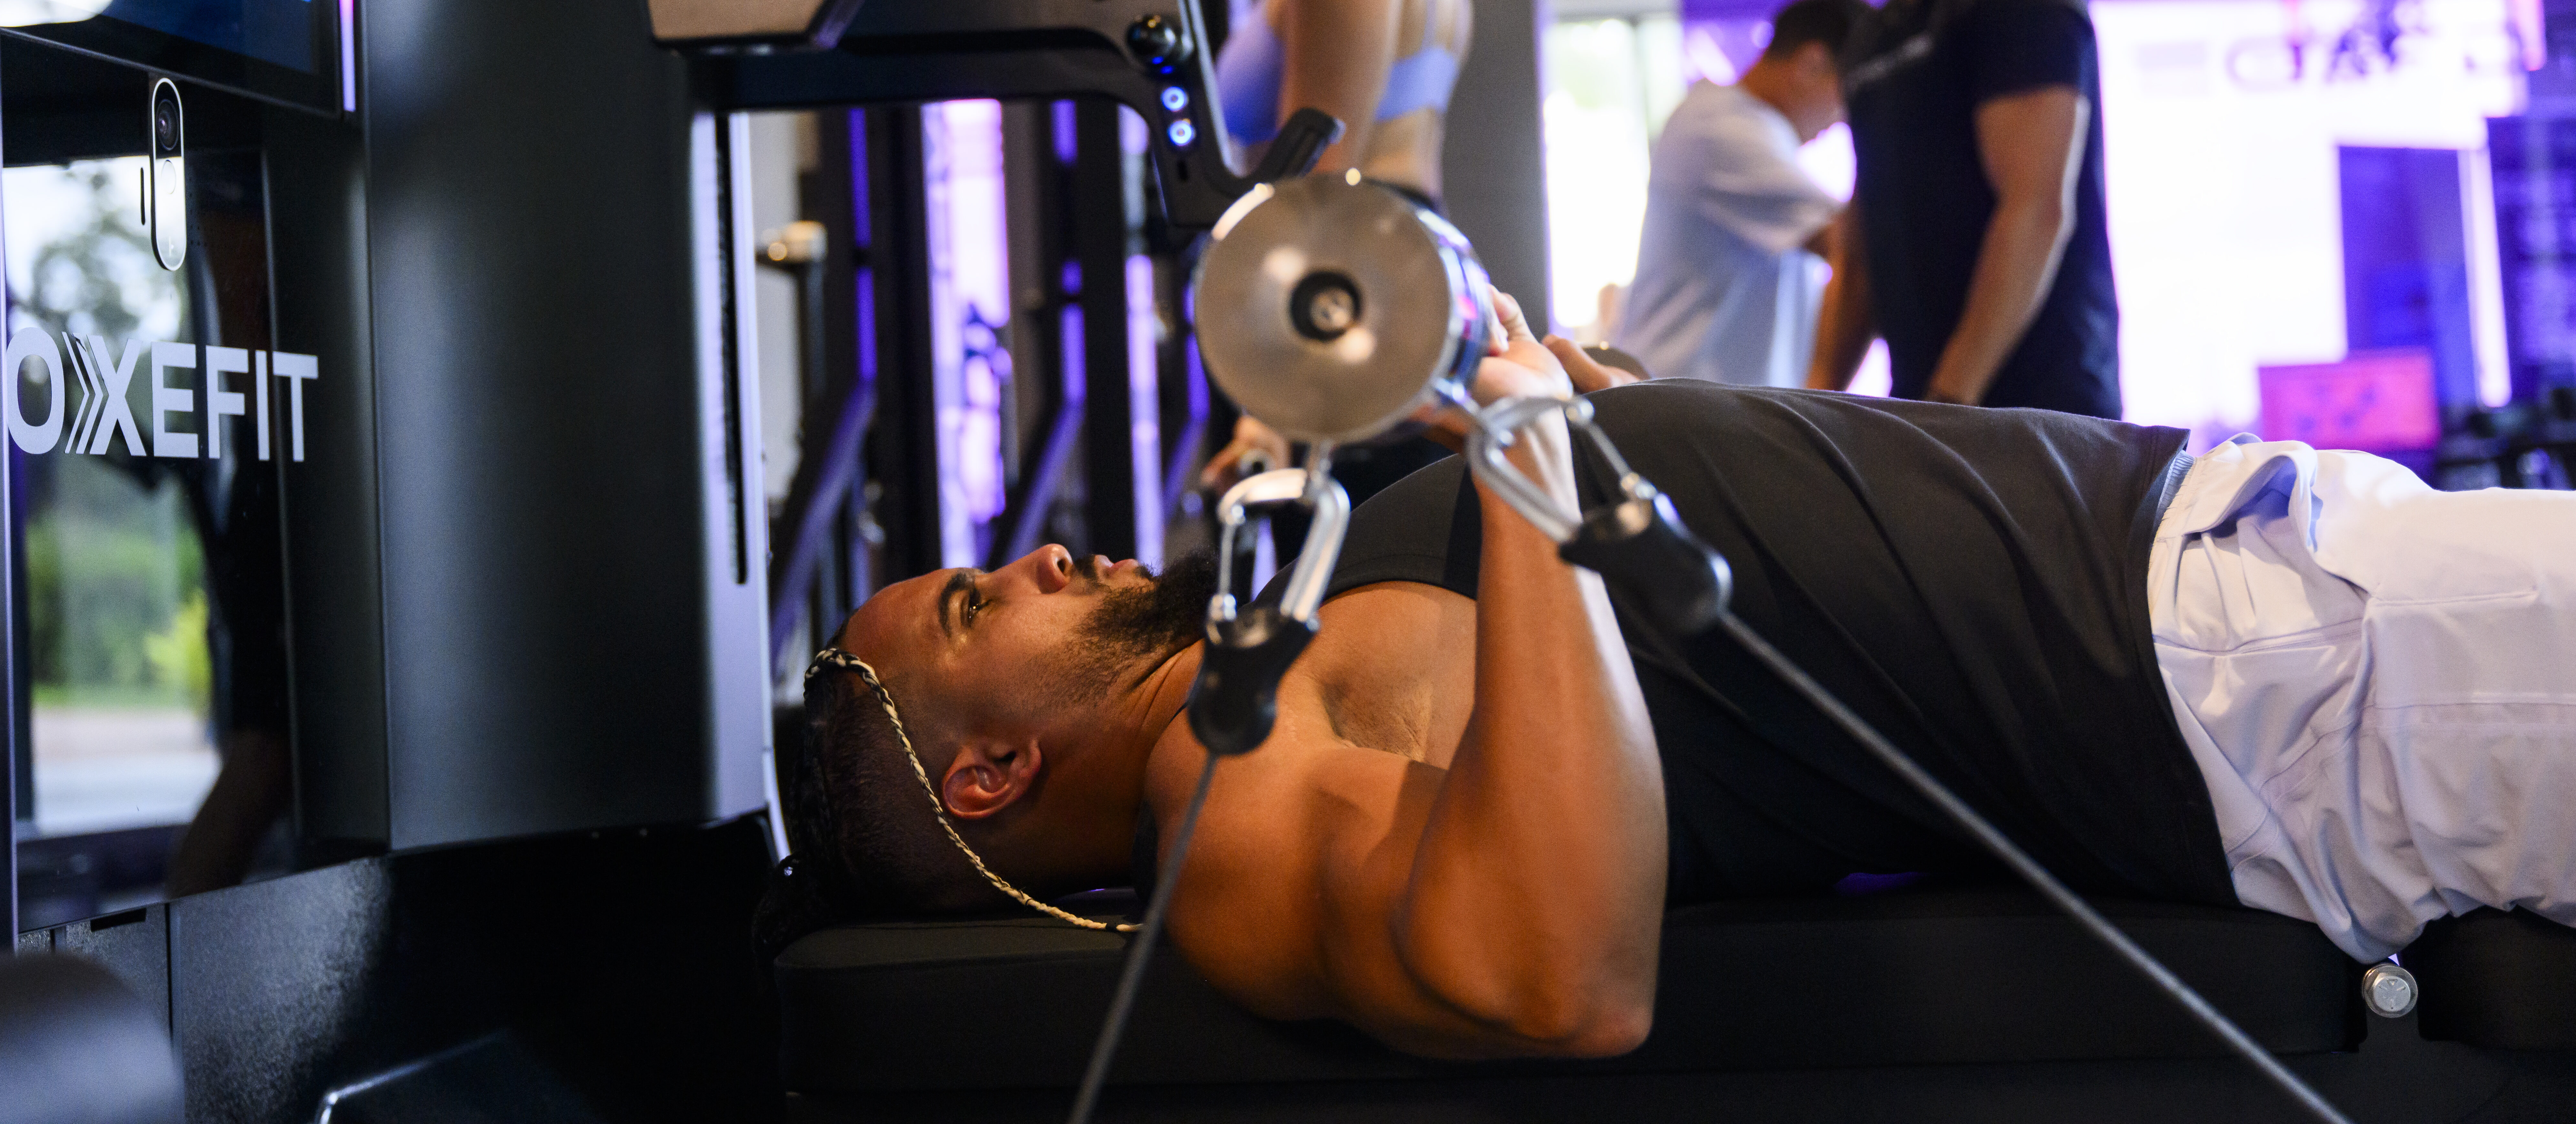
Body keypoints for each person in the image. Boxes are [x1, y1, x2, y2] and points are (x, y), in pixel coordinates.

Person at [763, 292, 2576, 1058]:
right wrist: (1524, 458)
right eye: (972, 603)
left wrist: (1560, 397)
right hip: (2258, 681)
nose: (1039, 555)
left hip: (2259, 589)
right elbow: (1551, 973)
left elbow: (1650, 610)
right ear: (984, 773)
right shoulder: (1215, 795)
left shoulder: (1293, 631)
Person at [1200, 0, 1473, 523]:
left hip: (1342, 277)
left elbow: (1318, 189)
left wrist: (1270, 407)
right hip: (1394, 260)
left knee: (1346, 552)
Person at [1806, 0, 2122, 416]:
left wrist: (1947, 402)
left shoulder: (2022, 10)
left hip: (2042, 412)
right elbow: (1865, 244)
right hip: (1925, 405)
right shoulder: (1876, 36)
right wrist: (1814, 406)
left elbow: (2036, 210)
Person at [1612, 0, 1865, 388]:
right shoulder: (1719, 124)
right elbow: (1852, 243)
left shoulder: (1755, 130)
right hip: (1677, 403)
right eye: (1850, 94)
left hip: (1699, 402)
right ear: (1811, 64)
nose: (1843, 118)